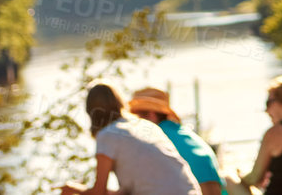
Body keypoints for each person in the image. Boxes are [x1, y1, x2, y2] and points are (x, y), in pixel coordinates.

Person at [60, 81, 202, 195]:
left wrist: (72, 188)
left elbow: (99, 192)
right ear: (120, 103)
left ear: (91, 112)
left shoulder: (107, 135)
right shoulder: (146, 125)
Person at [128, 87, 224, 195]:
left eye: (136, 117)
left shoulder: (153, 137)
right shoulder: (183, 133)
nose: (133, 123)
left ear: (151, 115)